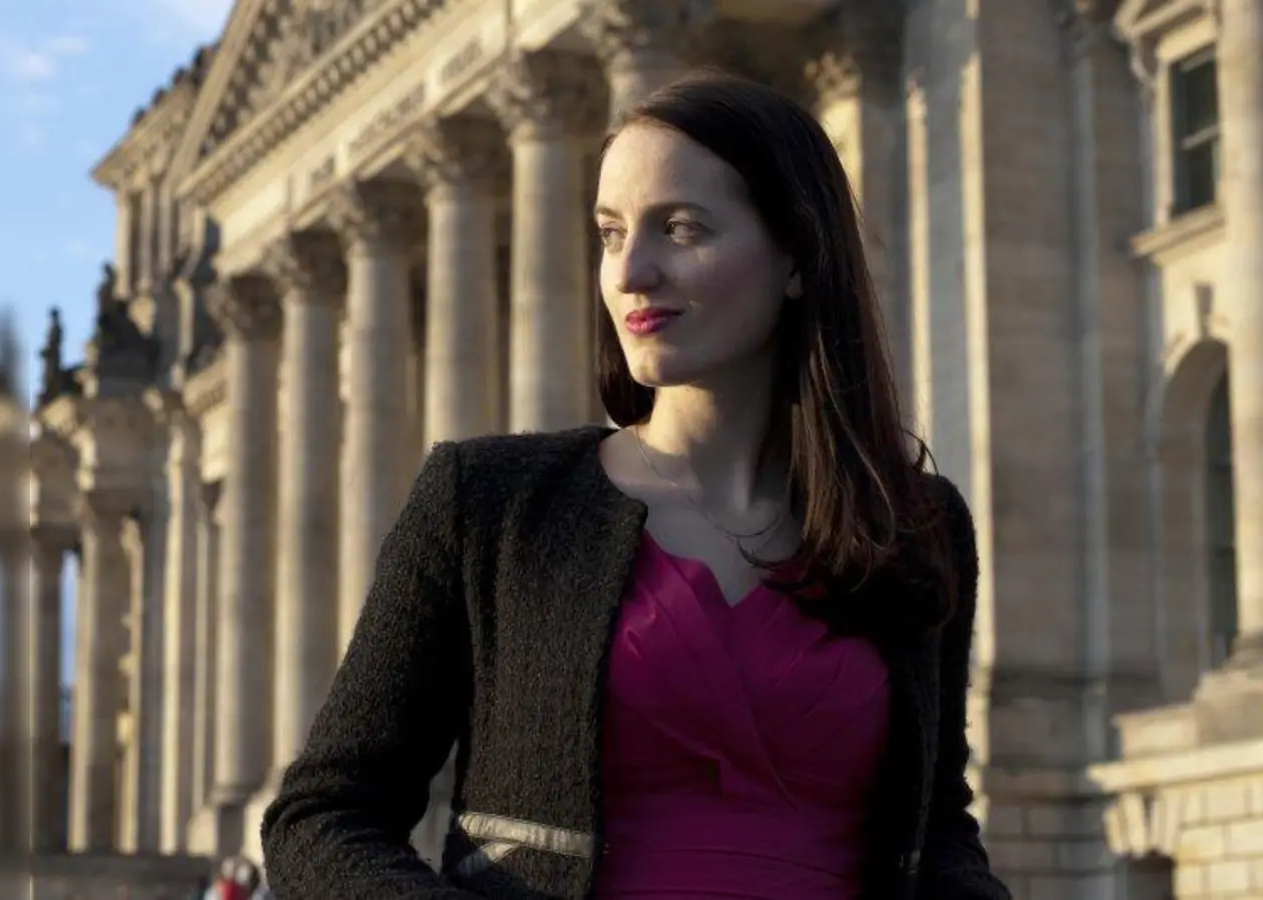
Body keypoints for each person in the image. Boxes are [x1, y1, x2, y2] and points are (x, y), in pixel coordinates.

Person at [260, 69, 1011, 899]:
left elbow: (937, 830)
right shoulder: (487, 503)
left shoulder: (913, 522)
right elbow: (321, 816)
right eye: (612, 233)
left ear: (796, 256)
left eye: (679, 228)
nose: (631, 273)